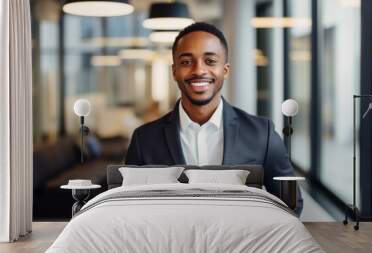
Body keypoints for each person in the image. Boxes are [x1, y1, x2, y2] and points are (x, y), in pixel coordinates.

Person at [125, 22, 303, 215]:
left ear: (225, 70)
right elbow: (128, 208)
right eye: (186, 62)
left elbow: (290, 205)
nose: (199, 70)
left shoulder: (262, 133)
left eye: (210, 61)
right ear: (174, 71)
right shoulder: (144, 139)